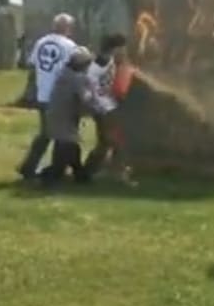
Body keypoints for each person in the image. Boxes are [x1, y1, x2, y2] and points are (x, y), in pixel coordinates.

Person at [17, 13, 78, 180]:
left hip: (42, 94)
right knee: (60, 134)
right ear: (67, 28)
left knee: (46, 133)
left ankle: (30, 166)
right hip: (60, 96)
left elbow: (32, 67)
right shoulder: (69, 46)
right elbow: (74, 70)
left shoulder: (41, 42)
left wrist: (31, 91)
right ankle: (54, 170)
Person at [39, 46, 106, 185]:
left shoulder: (65, 72)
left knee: (70, 147)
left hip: (56, 114)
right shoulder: (76, 78)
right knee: (66, 148)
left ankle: (79, 175)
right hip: (63, 118)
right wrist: (99, 106)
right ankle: (52, 176)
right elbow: (86, 99)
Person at [84, 33, 131, 180]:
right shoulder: (102, 61)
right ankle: (118, 172)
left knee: (104, 142)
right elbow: (90, 77)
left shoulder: (109, 60)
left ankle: (89, 171)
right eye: (122, 48)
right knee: (116, 140)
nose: (124, 51)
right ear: (116, 48)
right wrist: (98, 93)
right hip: (105, 108)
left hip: (105, 106)